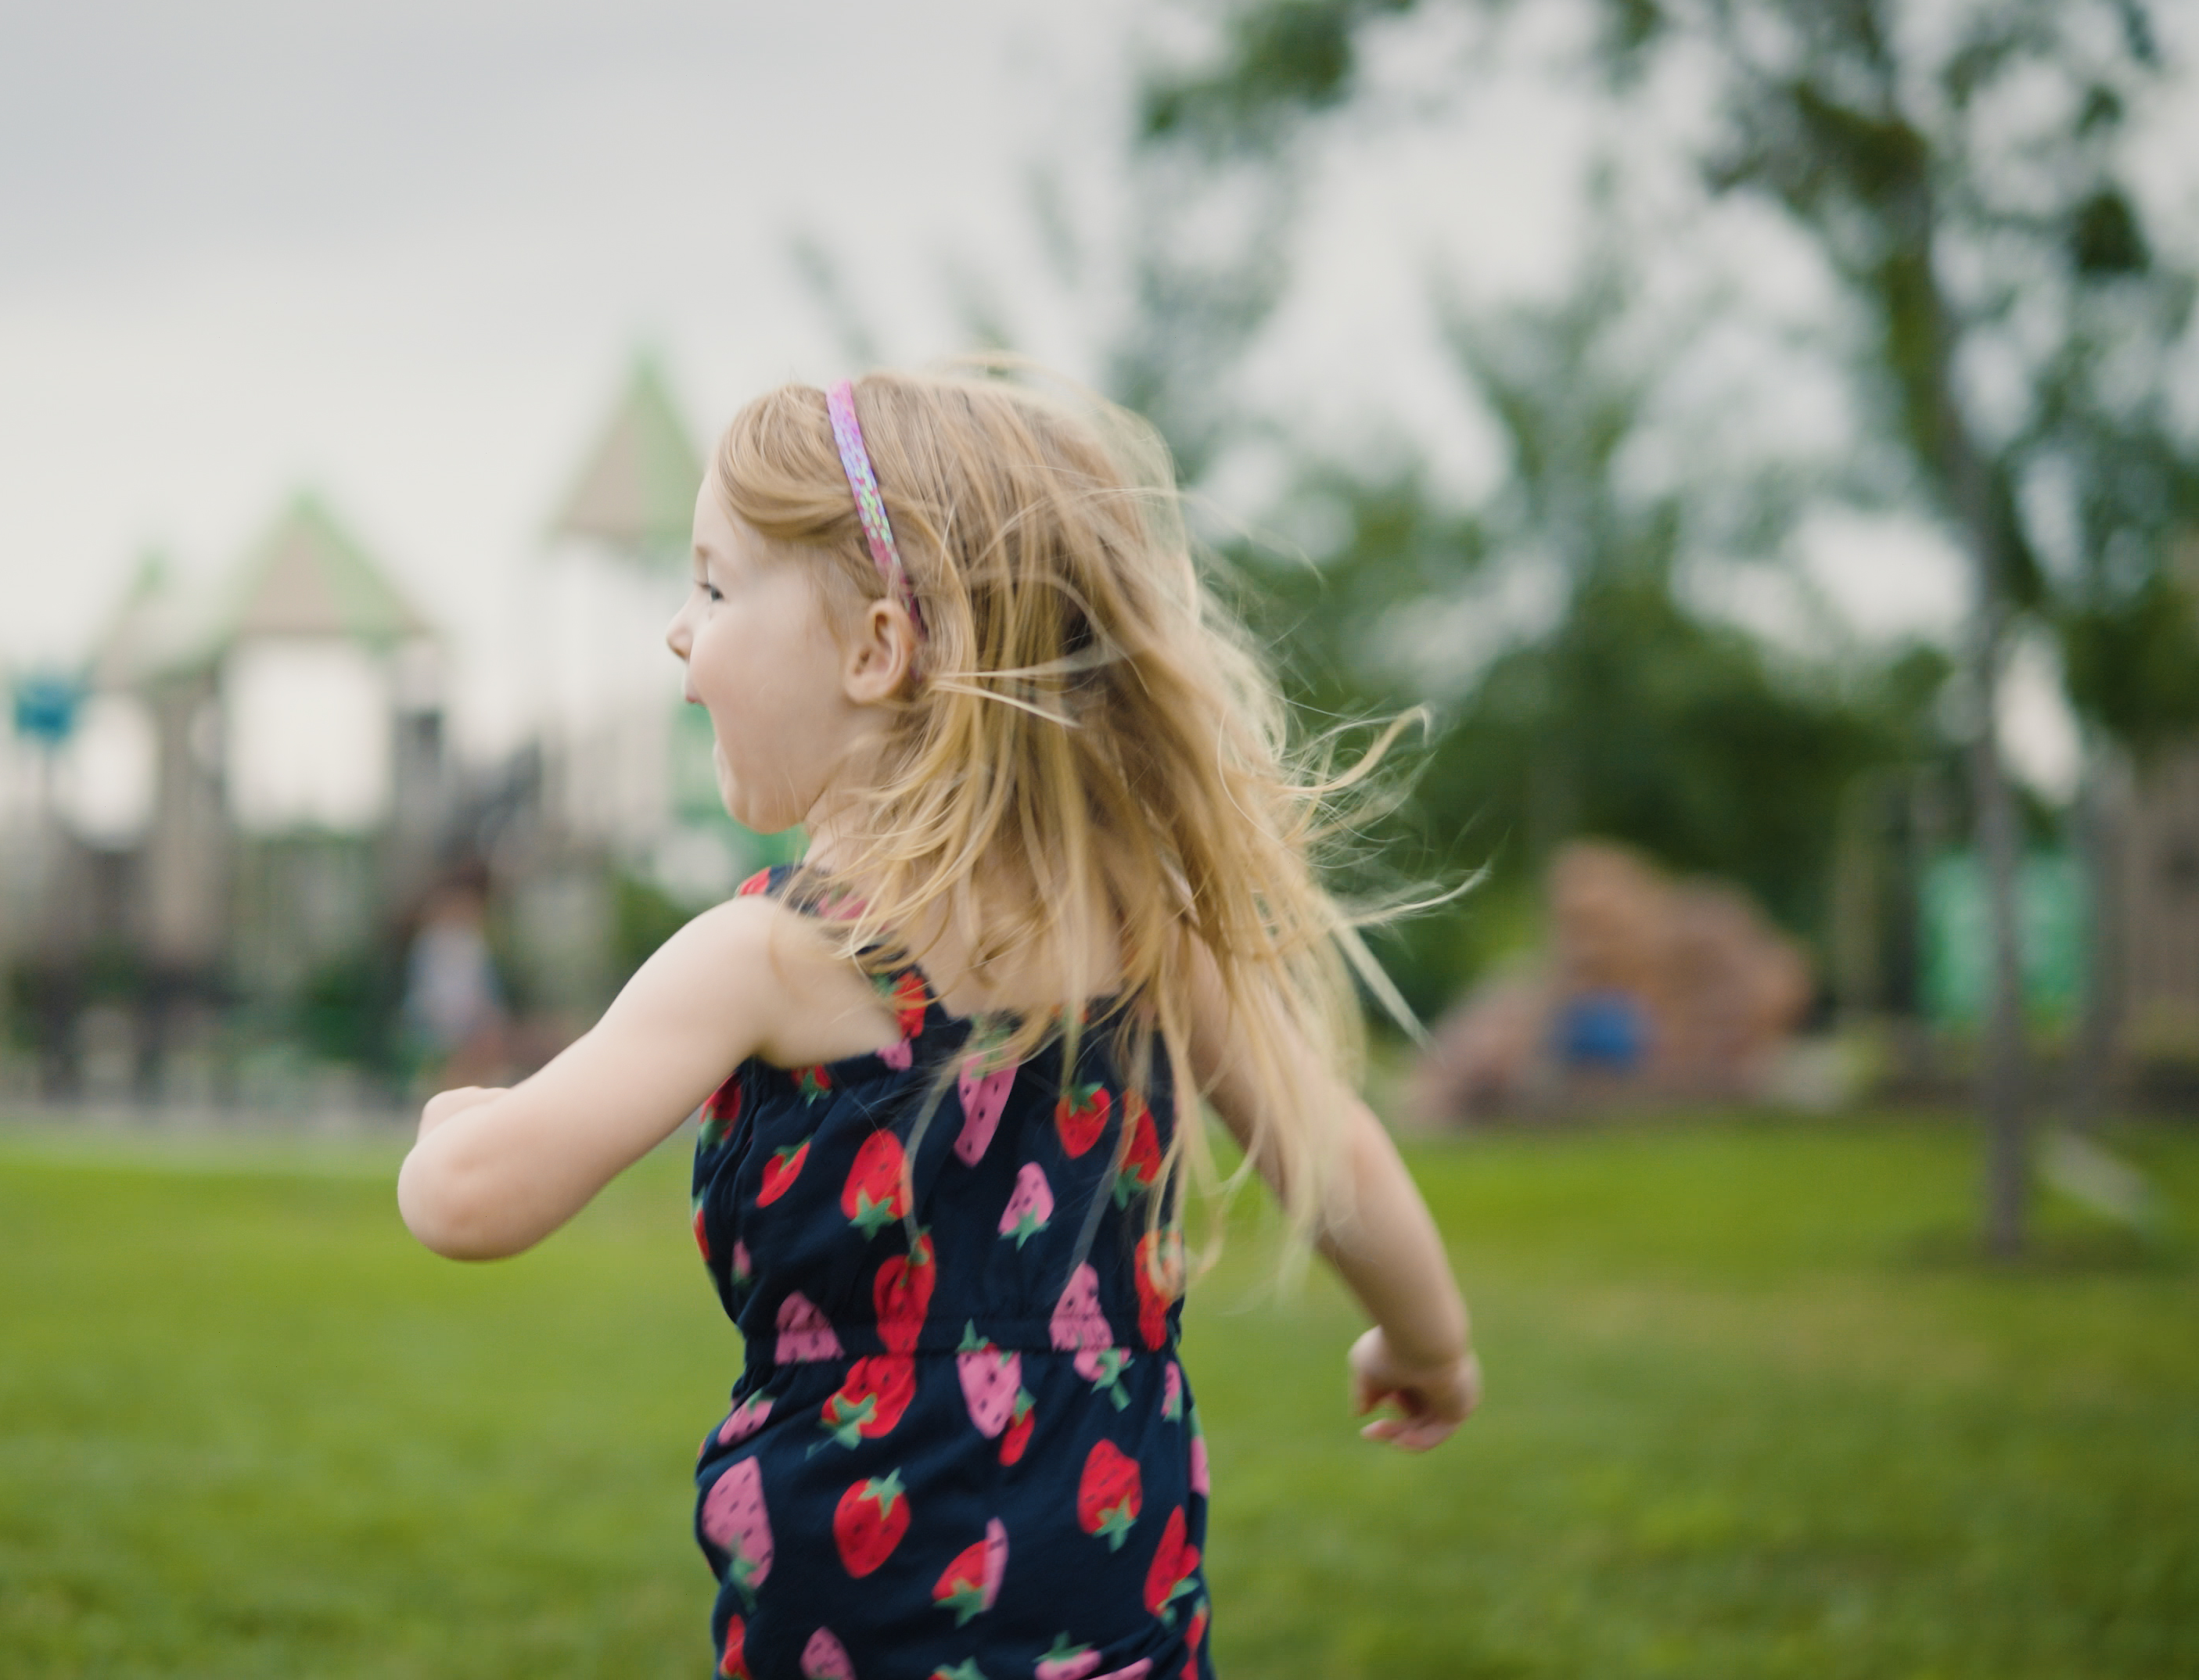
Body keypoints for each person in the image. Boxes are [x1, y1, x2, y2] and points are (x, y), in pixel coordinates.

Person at [397, 368, 1478, 1679]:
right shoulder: (1143, 938)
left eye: (717, 587)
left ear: (874, 648)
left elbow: (469, 1203)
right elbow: (1335, 1152)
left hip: (857, 1612)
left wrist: (460, 1123)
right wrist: (1426, 1344)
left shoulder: (769, 958)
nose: (682, 633)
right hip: (1116, 1593)